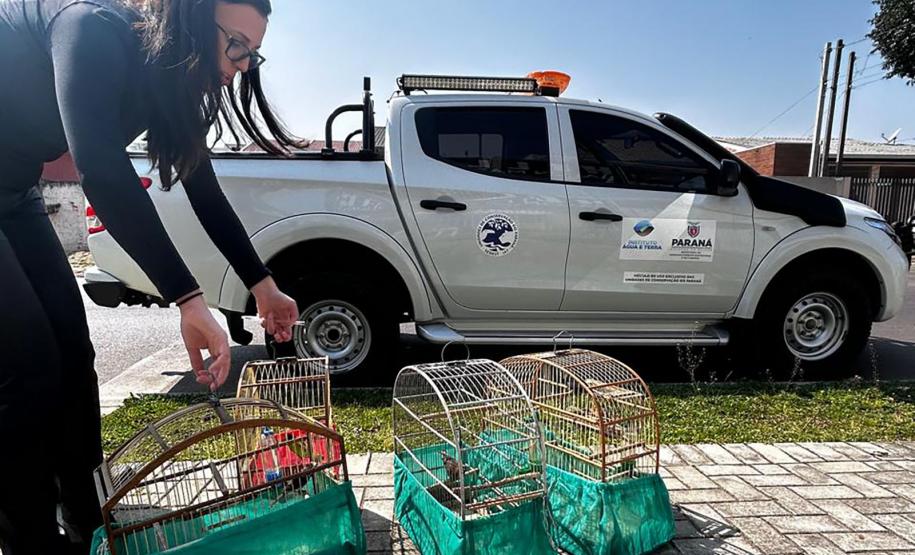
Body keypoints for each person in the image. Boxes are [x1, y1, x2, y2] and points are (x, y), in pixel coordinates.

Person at [0, 0, 300, 552]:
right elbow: (98, 167)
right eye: (236, 44)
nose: (240, 64)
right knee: (27, 365)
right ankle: (31, 539)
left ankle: (90, 521)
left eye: (252, 54)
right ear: (191, 19)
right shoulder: (88, 27)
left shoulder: (171, 80)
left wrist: (262, 284)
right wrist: (188, 299)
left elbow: (201, 185)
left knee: (72, 353)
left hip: (14, 191)